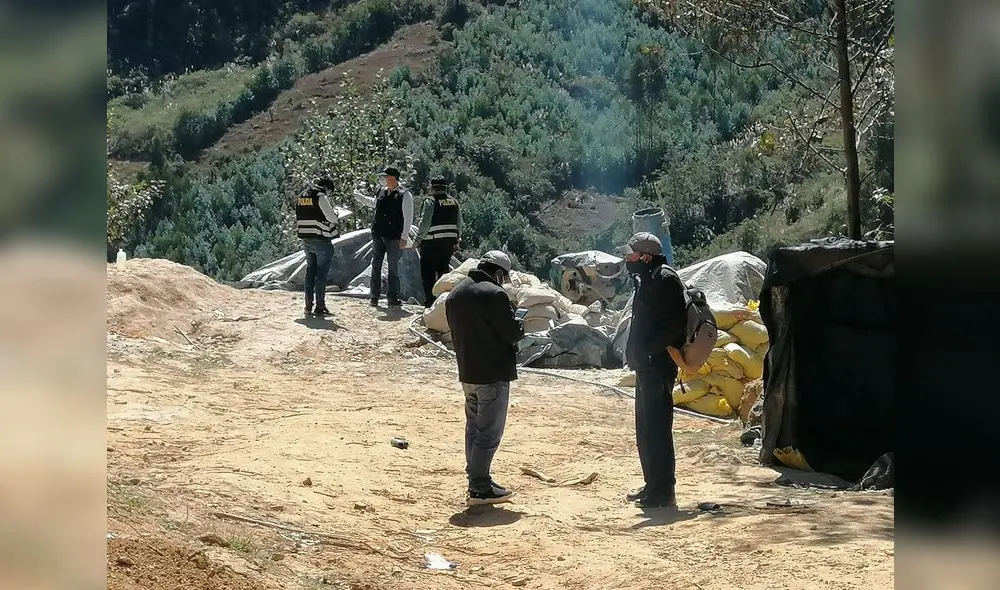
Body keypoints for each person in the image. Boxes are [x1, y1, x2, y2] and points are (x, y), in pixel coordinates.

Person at [445, 251, 524, 506]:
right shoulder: (495, 294)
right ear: (500, 272)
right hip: (493, 373)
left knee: (473, 428)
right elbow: (512, 333)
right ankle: (479, 487)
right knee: (489, 433)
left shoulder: (456, 293)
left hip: (468, 372)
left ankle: (476, 477)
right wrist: (519, 322)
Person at [621, 232, 687, 509]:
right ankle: (652, 484)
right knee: (646, 429)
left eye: (632, 254)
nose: (628, 259)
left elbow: (674, 325)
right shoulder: (648, 278)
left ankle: (663, 491)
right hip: (645, 366)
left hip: (658, 366)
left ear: (646, 256)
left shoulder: (665, 279)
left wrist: (648, 349)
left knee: (658, 429)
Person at [352, 166, 414, 308]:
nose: (384, 179)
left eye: (386, 177)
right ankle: (374, 296)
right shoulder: (382, 191)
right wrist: (360, 197)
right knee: (376, 265)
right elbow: (374, 204)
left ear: (393, 178)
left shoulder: (404, 195)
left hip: (394, 236)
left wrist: (404, 236)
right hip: (378, 234)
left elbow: (408, 217)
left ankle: (393, 297)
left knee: (393, 268)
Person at [295, 177, 341, 317]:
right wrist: (337, 214)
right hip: (321, 240)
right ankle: (320, 306)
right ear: (326, 188)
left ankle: (308, 305)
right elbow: (331, 218)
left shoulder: (302, 195)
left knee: (310, 272)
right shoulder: (320, 196)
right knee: (321, 275)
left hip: (306, 239)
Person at [414, 176, 462, 308]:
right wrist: (457, 240)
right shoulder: (454, 202)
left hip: (430, 244)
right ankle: (444, 304)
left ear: (432, 188)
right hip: (447, 245)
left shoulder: (430, 202)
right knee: (444, 275)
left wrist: (417, 240)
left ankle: (430, 304)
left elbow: (425, 223)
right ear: (445, 188)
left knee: (428, 276)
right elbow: (459, 223)